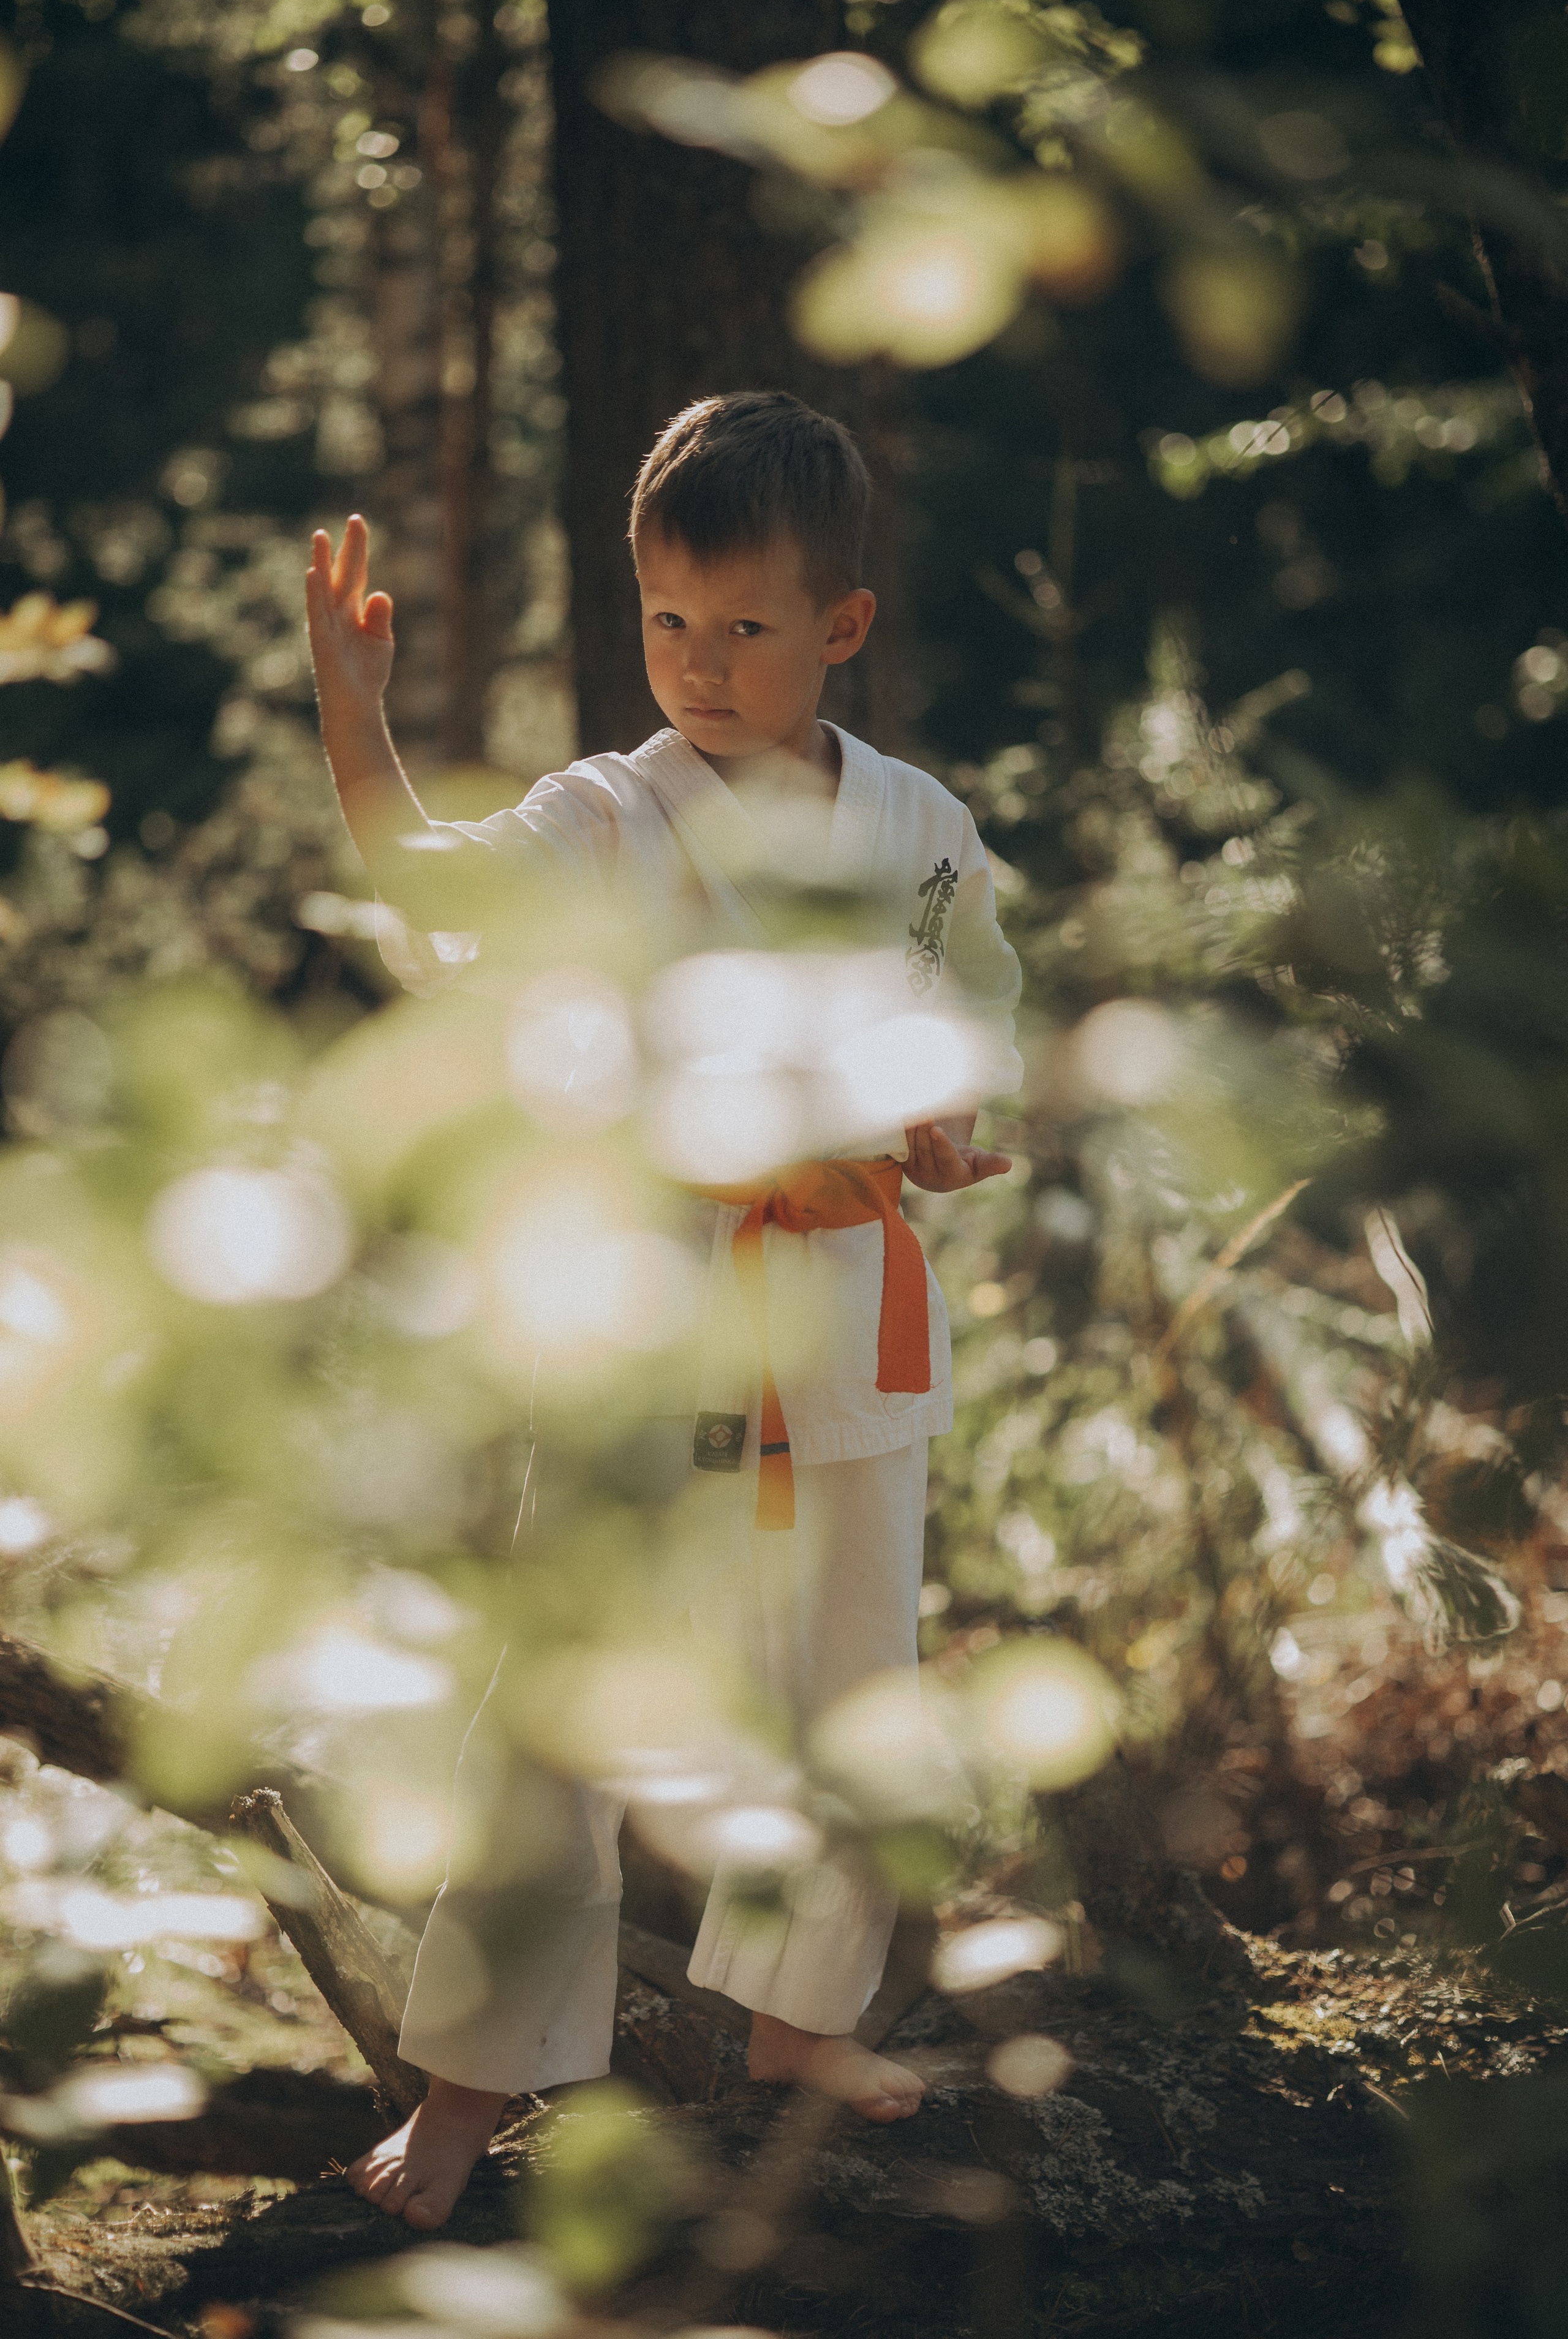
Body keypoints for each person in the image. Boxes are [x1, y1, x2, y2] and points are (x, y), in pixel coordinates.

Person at [304, 391, 1022, 2228]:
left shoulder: (923, 824)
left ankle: (800, 2028)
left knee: (854, 1682)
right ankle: (471, 2085)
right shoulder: (606, 818)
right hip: (653, 1315)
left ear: (841, 626)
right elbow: (422, 883)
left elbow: (967, 1032)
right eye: (668, 624)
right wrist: (355, 719)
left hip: (851, 1314)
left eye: (747, 628)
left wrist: (945, 1132)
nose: (700, 667)